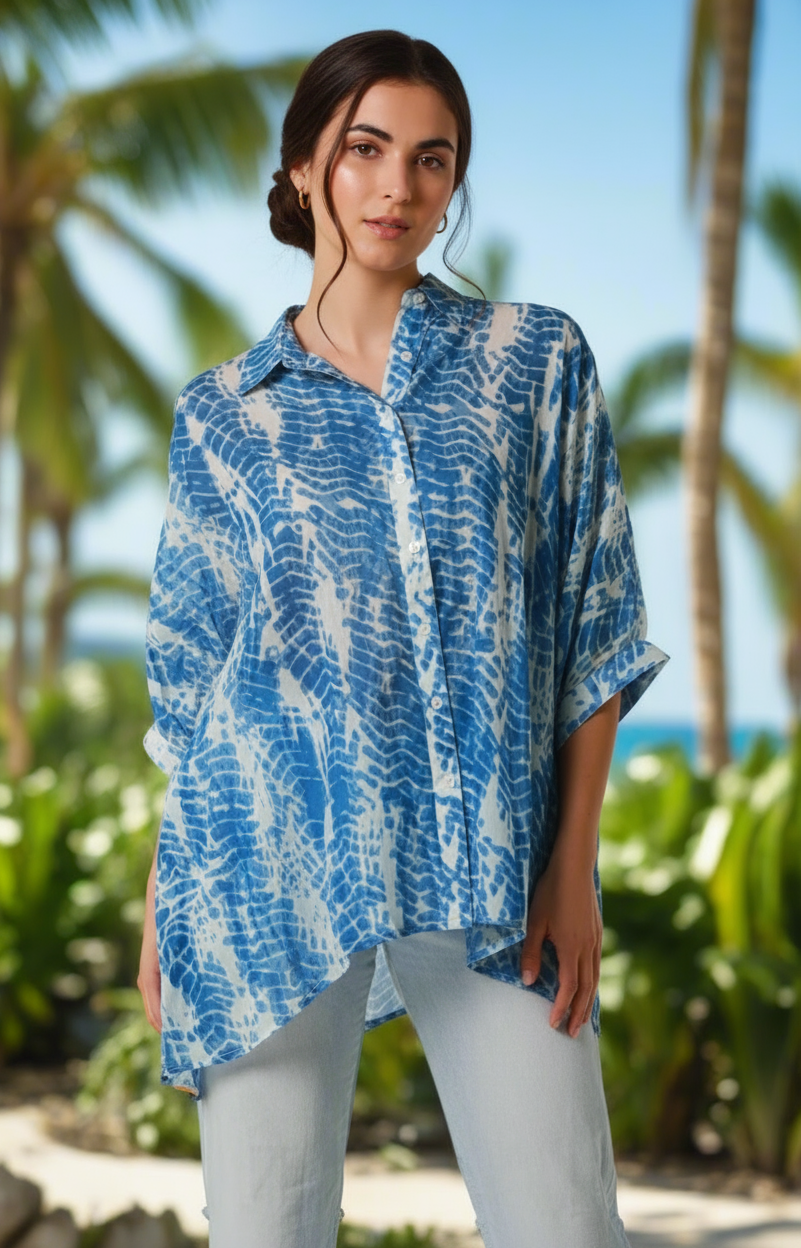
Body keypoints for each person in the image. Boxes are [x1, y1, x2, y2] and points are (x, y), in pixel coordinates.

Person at [138, 28, 669, 1248]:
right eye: (366, 148)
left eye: (432, 161)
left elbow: (593, 619)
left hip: (491, 871)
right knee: (267, 1231)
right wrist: (165, 899)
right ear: (304, 166)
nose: (398, 187)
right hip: (264, 871)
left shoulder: (531, 361)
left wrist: (569, 868)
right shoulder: (224, 415)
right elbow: (192, 685)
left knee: (567, 1227)